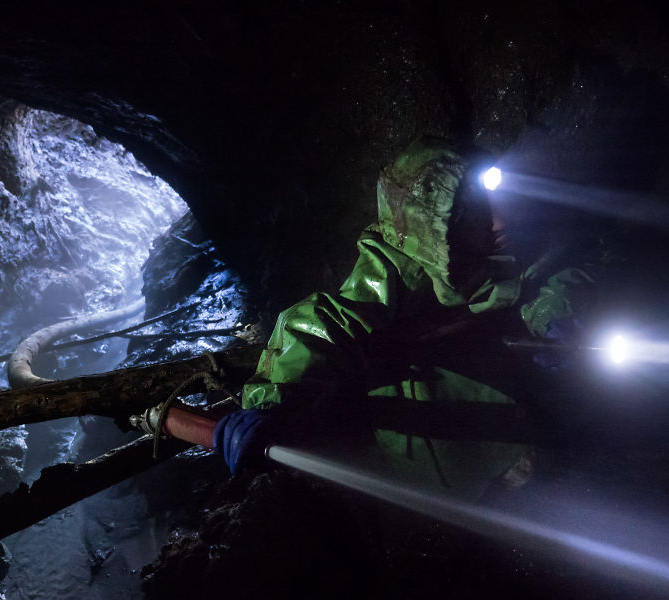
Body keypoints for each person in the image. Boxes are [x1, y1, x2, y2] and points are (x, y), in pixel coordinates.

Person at [214, 137, 598, 500]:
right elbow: (324, 325)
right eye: (477, 212)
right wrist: (268, 405)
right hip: (446, 449)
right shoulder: (396, 269)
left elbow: (555, 267)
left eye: (494, 200)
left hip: (520, 418)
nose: (500, 221)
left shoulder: (500, 243)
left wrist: (554, 314)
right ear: (436, 224)